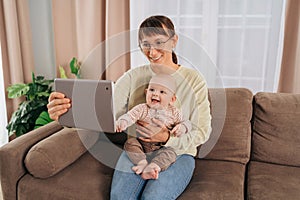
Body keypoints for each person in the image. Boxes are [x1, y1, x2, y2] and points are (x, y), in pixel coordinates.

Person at [47, 15, 211, 200]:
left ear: (173, 41)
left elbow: (202, 131)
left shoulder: (194, 80)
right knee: (120, 197)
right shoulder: (132, 77)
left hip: (178, 153)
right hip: (138, 149)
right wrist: (66, 112)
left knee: (154, 198)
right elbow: (106, 115)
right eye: (145, 44)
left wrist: (166, 137)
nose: (152, 51)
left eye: (159, 42)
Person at [116, 74, 192, 180]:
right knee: (130, 143)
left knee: (171, 153)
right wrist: (123, 122)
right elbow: (130, 116)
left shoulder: (174, 112)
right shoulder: (142, 108)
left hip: (161, 147)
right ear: (146, 92)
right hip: (141, 145)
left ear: (172, 99)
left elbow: (187, 123)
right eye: (152, 90)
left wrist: (182, 127)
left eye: (162, 92)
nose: (155, 94)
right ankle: (141, 163)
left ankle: (154, 167)